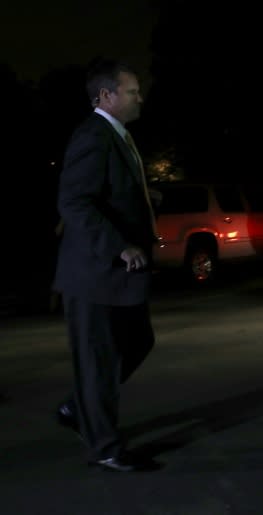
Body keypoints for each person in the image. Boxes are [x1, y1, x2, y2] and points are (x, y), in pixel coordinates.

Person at [53, 59, 160, 472]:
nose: (139, 97)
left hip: (116, 275)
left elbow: (108, 193)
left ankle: (79, 408)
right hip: (94, 273)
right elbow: (75, 202)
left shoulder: (116, 135)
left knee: (137, 341)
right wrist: (119, 246)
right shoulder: (93, 136)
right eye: (132, 90)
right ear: (106, 97)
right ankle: (106, 448)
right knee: (99, 361)